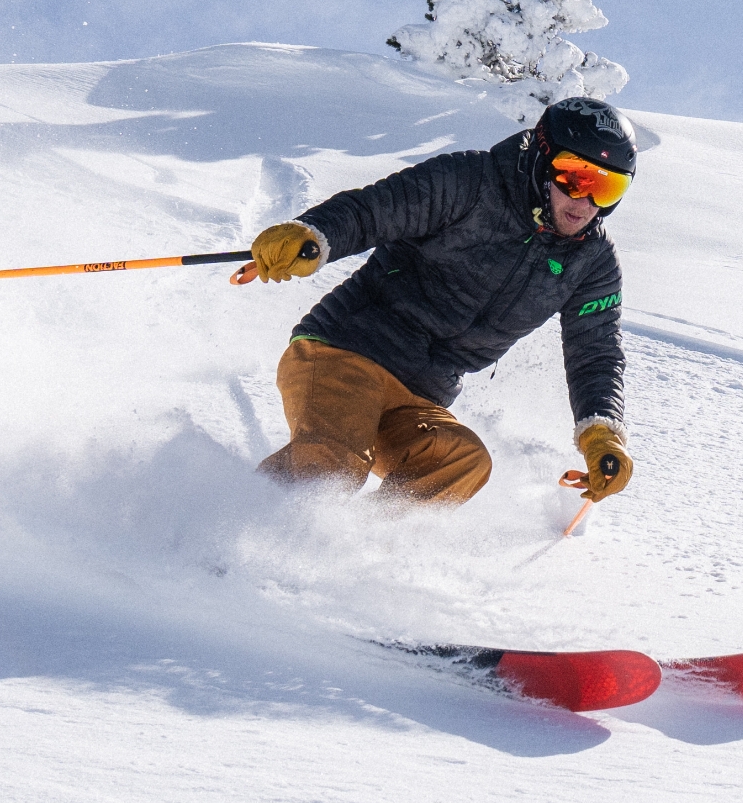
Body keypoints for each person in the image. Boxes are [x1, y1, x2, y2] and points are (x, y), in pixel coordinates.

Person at [247, 96, 636, 507]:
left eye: (607, 187)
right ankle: (223, 541)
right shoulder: (472, 181)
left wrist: (602, 432)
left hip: (422, 394)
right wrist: (313, 233)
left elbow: (596, 352)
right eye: (574, 178)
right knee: (331, 466)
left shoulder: (592, 262)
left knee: (462, 460)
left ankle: (353, 553)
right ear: (541, 160)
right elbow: (374, 210)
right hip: (345, 350)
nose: (585, 202)